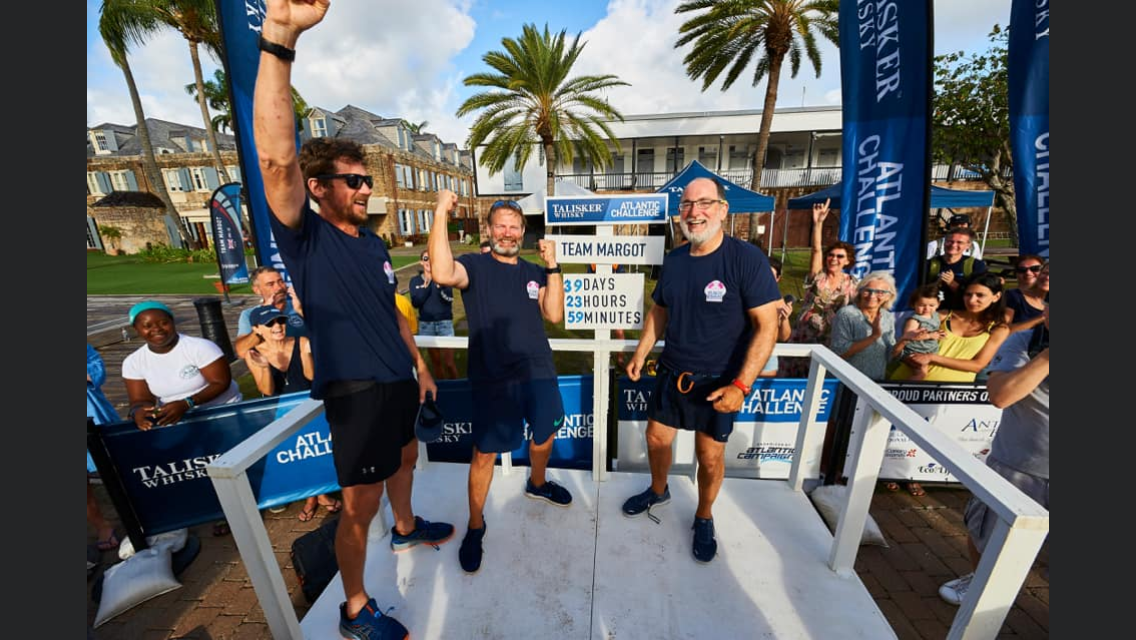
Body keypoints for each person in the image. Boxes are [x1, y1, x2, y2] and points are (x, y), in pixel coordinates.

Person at [253, 4, 451, 637]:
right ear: (317, 187)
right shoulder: (306, 237)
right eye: (354, 180)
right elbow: (276, 161)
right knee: (357, 509)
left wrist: (420, 367)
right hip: (356, 394)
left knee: (407, 459)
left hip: (397, 382)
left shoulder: (370, 243)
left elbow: (392, 314)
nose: (366, 189)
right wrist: (279, 39)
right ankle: (355, 609)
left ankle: (407, 528)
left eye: (367, 179)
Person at [622, 177, 781, 563]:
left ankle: (704, 515)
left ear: (723, 210)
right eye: (687, 205)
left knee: (709, 457)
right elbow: (660, 310)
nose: (694, 212)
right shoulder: (675, 260)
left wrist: (741, 386)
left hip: (720, 382)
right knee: (656, 438)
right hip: (672, 372)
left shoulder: (746, 259)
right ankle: (658, 490)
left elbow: (768, 327)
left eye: (705, 203)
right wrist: (641, 352)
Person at [428, 191, 570, 575]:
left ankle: (537, 484)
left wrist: (553, 265)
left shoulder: (535, 272)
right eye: (500, 226)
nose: (507, 233)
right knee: (484, 454)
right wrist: (440, 211)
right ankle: (476, 526)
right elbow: (442, 273)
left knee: (545, 435)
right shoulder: (474, 266)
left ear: (523, 232)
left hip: (538, 371)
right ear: (489, 231)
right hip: (493, 377)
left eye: (514, 227)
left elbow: (555, 314)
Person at [938, 305, 1048, 607]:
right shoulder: (1025, 340)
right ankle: (980, 582)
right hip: (1016, 465)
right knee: (984, 534)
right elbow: (1000, 396)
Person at [121, 300, 243, 536]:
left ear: (173, 322)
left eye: (163, 322)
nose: (157, 329)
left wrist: (187, 403)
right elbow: (140, 399)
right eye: (147, 325)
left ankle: (244, 505)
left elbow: (221, 382)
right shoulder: (134, 362)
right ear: (136, 329)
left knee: (231, 463)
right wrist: (138, 412)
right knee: (199, 468)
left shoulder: (199, 347)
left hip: (222, 413)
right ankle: (220, 509)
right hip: (181, 419)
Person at [243, 306, 341, 521]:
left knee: (314, 451)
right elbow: (267, 390)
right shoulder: (254, 353)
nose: (277, 326)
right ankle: (315, 496)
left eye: (280, 321)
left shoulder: (302, 342)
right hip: (280, 413)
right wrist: (264, 368)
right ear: (257, 329)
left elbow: (311, 378)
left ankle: (318, 495)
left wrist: (307, 354)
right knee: (297, 456)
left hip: (308, 406)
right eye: (270, 323)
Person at [782, 198, 859, 377]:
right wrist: (818, 224)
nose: (834, 259)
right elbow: (816, 250)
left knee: (820, 379)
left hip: (830, 339)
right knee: (795, 377)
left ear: (848, 261)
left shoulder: (852, 283)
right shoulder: (818, 276)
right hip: (804, 335)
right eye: (831, 255)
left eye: (840, 256)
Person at [890, 272, 1010, 383]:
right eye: (968, 294)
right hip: (907, 385)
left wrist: (931, 357)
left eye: (980, 295)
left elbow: (977, 365)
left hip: (951, 394)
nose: (972, 300)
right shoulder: (942, 315)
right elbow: (905, 343)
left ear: (996, 297)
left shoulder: (999, 329)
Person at [828, 273, 898, 383]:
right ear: (860, 292)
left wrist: (904, 341)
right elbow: (839, 352)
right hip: (846, 382)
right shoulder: (846, 314)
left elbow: (889, 356)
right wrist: (873, 337)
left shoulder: (887, 317)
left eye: (880, 292)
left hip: (875, 382)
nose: (872, 296)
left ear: (888, 296)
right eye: (867, 291)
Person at [234, 266, 306, 360]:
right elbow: (242, 351)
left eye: (281, 281)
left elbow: (322, 333)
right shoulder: (249, 315)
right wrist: (264, 317)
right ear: (257, 290)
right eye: (270, 284)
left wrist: (301, 311)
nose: (279, 287)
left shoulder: (299, 306)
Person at [88, 344, 120, 552]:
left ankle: (142, 514)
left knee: (118, 467)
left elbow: (96, 371)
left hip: (92, 415)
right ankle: (101, 525)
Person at [410, 251, 460, 379]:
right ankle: (442, 388)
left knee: (449, 363)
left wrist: (439, 288)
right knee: (436, 363)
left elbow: (449, 299)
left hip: (444, 324)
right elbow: (416, 302)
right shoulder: (415, 281)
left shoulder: (443, 279)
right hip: (426, 325)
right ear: (421, 262)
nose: (428, 261)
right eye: (426, 258)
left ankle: (456, 386)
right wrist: (426, 286)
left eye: (431, 258)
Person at [892, 284, 946, 381]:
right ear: (914, 305)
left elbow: (932, 328)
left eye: (931, 305)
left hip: (928, 351)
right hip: (914, 352)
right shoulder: (914, 320)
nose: (927, 309)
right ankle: (904, 388)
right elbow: (909, 336)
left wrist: (938, 333)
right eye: (922, 305)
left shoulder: (935, 316)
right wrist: (930, 335)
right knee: (921, 373)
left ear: (938, 304)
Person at [927, 227, 988, 312]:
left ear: (968, 246)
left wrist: (952, 283)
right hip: (932, 311)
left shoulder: (976, 265)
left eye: (959, 242)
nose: (953, 245)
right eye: (950, 241)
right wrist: (937, 283)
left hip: (963, 312)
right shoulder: (929, 264)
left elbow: (980, 295)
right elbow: (918, 292)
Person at [758, 257, 794, 378]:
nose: (766, 279)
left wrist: (784, 319)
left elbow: (784, 337)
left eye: (771, 276)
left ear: (778, 278)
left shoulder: (779, 302)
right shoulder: (741, 296)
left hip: (768, 358)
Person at [1003, 257, 1048, 333]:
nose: (1028, 273)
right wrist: (1043, 318)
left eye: (1035, 268)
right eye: (1022, 270)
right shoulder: (1012, 296)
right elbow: (1002, 331)